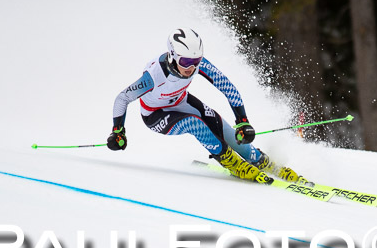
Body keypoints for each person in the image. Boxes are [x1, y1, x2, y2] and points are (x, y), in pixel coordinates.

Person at [108, 27, 307, 185]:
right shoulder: (154, 76)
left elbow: (227, 87)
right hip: (155, 116)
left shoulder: (196, 64)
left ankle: (260, 160)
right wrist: (118, 131)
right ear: (172, 55)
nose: (192, 68)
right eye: (186, 61)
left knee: (225, 128)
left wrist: (243, 122)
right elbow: (122, 98)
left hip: (180, 102)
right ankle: (230, 161)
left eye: (196, 61)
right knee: (195, 124)